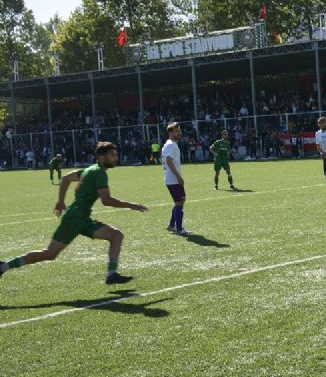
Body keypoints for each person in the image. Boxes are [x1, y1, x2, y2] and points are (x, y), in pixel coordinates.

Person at [0, 142, 147, 285]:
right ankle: (3, 267)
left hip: (83, 219)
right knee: (50, 254)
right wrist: (131, 205)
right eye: (112, 155)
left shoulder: (91, 169)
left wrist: (60, 201)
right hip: (74, 219)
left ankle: (111, 274)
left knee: (116, 235)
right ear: (102, 158)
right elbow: (106, 200)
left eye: (116, 155)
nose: (116, 158)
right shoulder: (99, 173)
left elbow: (65, 178)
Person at [162, 122, 189, 235]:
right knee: (180, 201)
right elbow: (168, 160)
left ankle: (172, 226)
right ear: (170, 133)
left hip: (170, 179)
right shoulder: (171, 145)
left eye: (179, 131)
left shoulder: (169, 144)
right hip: (173, 179)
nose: (179, 133)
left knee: (180, 200)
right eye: (176, 131)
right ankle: (179, 229)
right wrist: (178, 177)